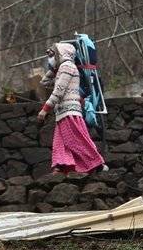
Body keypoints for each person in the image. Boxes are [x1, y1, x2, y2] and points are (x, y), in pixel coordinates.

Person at [37, 42, 106, 174]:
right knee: (60, 144)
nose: (50, 58)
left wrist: (45, 109)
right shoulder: (61, 69)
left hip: (69, 111)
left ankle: (97, 163)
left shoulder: (67, 67)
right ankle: (61, 167)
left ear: (61, 54)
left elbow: (59, 90)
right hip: (62, 112)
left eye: (52, 54)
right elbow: (44, 83)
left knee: (77, 140)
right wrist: (52, 69)